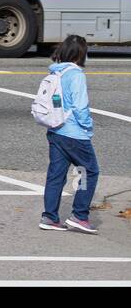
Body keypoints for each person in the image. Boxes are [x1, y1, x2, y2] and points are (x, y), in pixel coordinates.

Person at [39, 34, 100, 234]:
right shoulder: (76, 75)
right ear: (81, 55)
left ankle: (49, 216)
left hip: (55, 130)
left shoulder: (56, 72)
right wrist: (88, 127)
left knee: (56, 175)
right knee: (88, 171)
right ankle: (79, 215)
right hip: (74, 134)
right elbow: (81, 108)